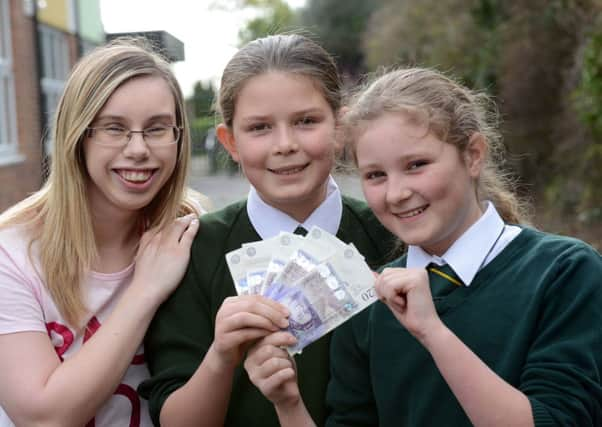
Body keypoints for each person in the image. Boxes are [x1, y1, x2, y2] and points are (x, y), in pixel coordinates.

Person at [245, 67, 602, 426]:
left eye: (416, 165)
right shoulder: (369, 301)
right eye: (375, 175)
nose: (396, 193)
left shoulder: (564, 271)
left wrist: (432, 333)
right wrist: (288, 404)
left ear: (474, 154)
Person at [138, 34, 398, 427]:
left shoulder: (393, 237)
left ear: (341, 128)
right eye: (259, 128)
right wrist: (221, 358)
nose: (285, 144)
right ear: (230, 142)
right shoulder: (192, 252)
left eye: (306, 121)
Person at [0, 39, 204, 426]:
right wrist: (145, 290)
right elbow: (44, 418)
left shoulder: (191, 232)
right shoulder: (11, 254)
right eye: (114, 128)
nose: (139, 149)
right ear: (78, 136)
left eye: (158, 128)